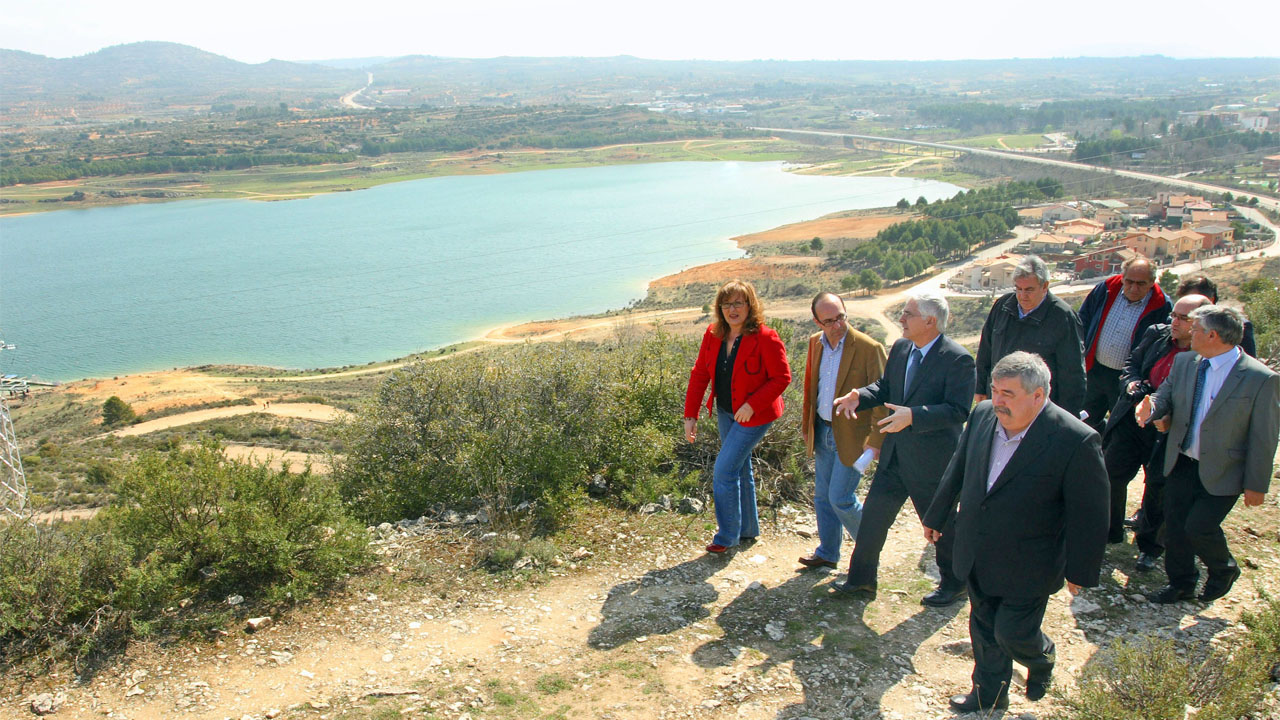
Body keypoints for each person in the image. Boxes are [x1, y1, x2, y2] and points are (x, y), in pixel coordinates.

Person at [923, 352, 1108, 711]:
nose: (998, 401)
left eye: (1008, 393)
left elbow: (1090, 512)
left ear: (1038, 396)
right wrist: (937, 514)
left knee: (1012, 633)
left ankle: (1041, 658)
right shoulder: (982, 416)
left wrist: (1081, 569)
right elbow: (959, 466)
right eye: (994, 390)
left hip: (1030, 561)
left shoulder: (1075, 439)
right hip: (977, 549)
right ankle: (988, 696)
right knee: (984, 629)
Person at [830, 290, 976, 605]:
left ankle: (955, 584)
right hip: (895, 456)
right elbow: (886, 388)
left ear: (930, 321)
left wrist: (914, 417)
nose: (901, 319)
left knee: (940, 525)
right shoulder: (901, 348)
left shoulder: (958, 359)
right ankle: (861, 581)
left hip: (932, 461)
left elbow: (958, 410)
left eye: (908, 314)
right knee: (872, 521)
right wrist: (859, 395)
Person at [1137, 305, 1279, 604]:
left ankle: (1223, 568)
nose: (1190, 332)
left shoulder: (1259, 378)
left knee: (1199, 527)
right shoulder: (1187, 363)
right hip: (1182, 461)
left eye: (1196, 329)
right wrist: (1152, 407)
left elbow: (1264, 435)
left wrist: (1257, 484)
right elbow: (1165, 395)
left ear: (1212, 335)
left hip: (1224, 469)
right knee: (1174, 528)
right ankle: (1181, 584)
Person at [1103, 294, 1211, 570]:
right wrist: (1133, 385)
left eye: (1184, 319)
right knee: (1111, 472)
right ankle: (1109, 531)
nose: (1174, 322)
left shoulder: (1206, 353)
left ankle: (1150, 546)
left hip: (1169, 429)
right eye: (1173, 315)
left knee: (1158, 487)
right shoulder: (1156, 335)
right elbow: (1132, 365)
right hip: (1132, 419)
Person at [684, 280, 792, 554]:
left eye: (738, 303)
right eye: (727, 303)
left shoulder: (766, 337)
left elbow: (782, 378)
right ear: (719, 308)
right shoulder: (713, 334)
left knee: (724, 470)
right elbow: (699, 374)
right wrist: (691, 414)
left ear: (749, 306)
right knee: (741, 468)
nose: (733, 309)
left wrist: (753, 404)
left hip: (755, 416)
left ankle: (727, 535)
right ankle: (747, 530)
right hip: (725, 412)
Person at [797, 292, 887, 569]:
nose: (837, 326)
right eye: (829, 321)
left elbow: (884, 396)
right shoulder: (815, 344)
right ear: (817, 321)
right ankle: (828, 552)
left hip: (854, 438)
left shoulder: (869, 348)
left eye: (841, 317)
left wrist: (876, 441)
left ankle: (868, 555)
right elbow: (812, 389)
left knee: (841, 499)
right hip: (823, 430)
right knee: (823, 497)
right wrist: (806, 426)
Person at [974, 255, 1086, 416]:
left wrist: (1066, 416)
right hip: (999, 401)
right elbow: (986, 349)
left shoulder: (1062, 317)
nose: (1022, 295)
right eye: (1018, 289)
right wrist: (980, 387)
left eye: (1029, 290)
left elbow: (1072, 373)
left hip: (1035, 408)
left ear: (1045, 286)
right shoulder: (1003, 306)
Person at [1078, 257, 1170, 432]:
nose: (1134, 288)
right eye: (1129, 282)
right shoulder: (1105, 290)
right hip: (1093, 371)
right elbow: (1083, 320)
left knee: (1119, 430)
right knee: (1083, 422)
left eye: (1141, 284)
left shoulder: (1161, 306)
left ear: (1152, 282)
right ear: (1122, 277)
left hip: (1126, 380)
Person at [1176, 274, 1257, 357]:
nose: (1185, 305)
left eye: (1191, 301)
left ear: (1211, 299)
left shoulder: (1234, 325)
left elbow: (1246, 362)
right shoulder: (1174, 325)